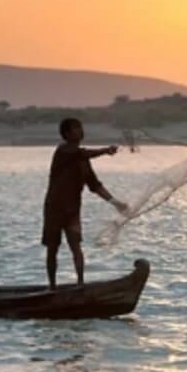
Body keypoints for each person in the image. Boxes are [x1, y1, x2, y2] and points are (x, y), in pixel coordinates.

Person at [42, 118, 129, 289]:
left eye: (81, 128)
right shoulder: (63, 151)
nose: (80, 131)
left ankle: (80, 284)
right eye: (76, 129)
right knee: (53, 248)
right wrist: (105, 150)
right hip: (55, 208)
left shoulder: (83, 161)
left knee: (76, 245)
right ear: (66, 134)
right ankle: (52, 287)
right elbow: (82, 153)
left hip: (72, 210)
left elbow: (95, 186)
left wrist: (115, 202)